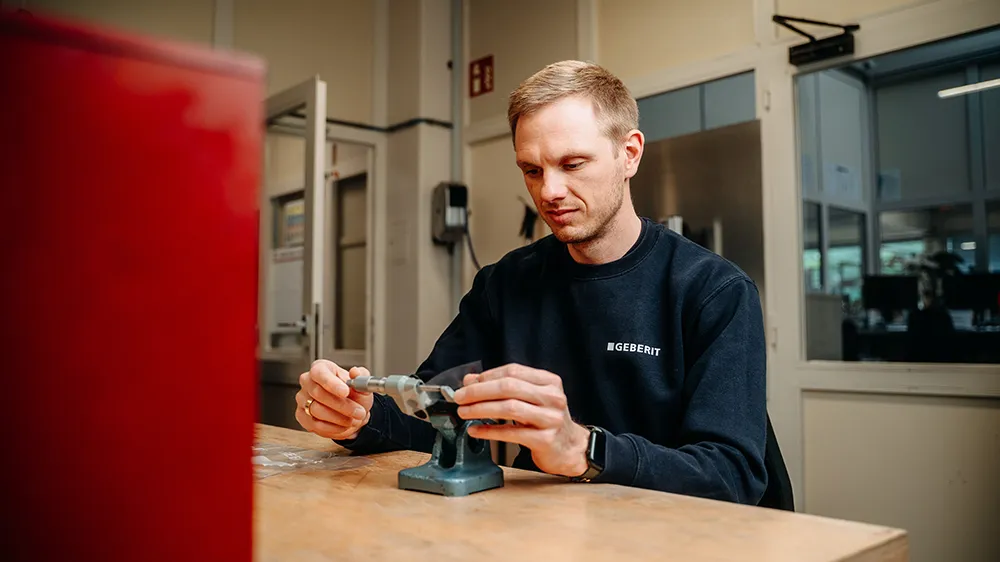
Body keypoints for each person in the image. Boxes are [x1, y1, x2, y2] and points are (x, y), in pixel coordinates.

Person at [295, 60, 769, 505]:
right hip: (548, 525)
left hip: (677, 534)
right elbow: (436, 415)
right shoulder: (506, 285)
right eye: (532, 170)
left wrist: (584, 449)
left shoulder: (714, 291)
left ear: (629, 154)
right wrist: (360, 417)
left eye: (573, 164)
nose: (550, 191)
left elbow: (733, 475)